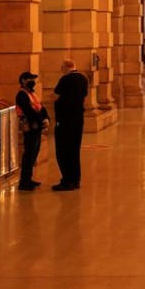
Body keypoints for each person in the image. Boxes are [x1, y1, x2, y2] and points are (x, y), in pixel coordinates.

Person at [51, 59, 88, 191]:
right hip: (78, 118)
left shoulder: (65, 80)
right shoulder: (83, 79)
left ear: (67, 67)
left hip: (65, 119)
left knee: (63, 150)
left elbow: (54, 97)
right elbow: (84, 96)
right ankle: (75, 179)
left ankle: (67, 180)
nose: (62, 71)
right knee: (74, 149)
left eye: (62, 68)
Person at [14, 71, 49, 191]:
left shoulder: (31, 93)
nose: (33, 82)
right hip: (30, 126)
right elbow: (29, 111)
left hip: (37, 125)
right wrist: (41, 121)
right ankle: (24, 181)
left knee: (34, 151)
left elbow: (40, 107)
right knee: (29, 153)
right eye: (30, 79)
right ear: (23, 80)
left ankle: (28, 178)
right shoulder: (22, 95)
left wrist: (46, 118)